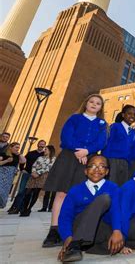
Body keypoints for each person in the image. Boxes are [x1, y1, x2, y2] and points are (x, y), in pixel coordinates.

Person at [42, 94, 108, 248]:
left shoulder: (102, 123)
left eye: (98, 103)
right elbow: (66, 137)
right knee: (62, 193)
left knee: (80, 195)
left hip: (88, 160)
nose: (94, 104)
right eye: (91, 102)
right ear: (86, 104)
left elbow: (101, 142)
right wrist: (79, 150)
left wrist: (87, 151)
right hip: (69, 157)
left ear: (101, 108)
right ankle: (54, 230)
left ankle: (73, 230)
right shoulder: (74, 118)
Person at [57, 155, 123, 262]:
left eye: (101, 166)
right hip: (78, 227)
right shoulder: (75, 190)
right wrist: (67, 237)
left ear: (107, 172)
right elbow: (65, 216)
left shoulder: (113, 187)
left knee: (118, 242)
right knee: (104, 199)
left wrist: (117, 231)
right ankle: (74, 245)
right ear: (86, 171)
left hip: (99, 228)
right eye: (92, 166)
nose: (96, 169)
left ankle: (86, 247)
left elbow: (116, 211)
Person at [102, 104, 135, 186]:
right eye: (129, 113)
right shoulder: (115, 126)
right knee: (110, 185)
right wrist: (105, 161)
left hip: (125, 163)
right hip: (112, 160)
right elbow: (107, 144)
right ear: (123, 115)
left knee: (121, 187)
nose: (132, 116)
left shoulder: (133, 132)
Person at [8, 139, 46, 214]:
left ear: (44, 146)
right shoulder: (31, 153)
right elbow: (23, 160)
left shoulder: (44, 155)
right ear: (37, 144)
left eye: (43, 144)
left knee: (29, 193)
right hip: (27, 173)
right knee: (21, 191)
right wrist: (22, 169)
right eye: (40, 144)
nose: (41, 145)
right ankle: (14, 207)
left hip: (36, 176)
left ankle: (22, 208)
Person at [19, 145, 56, 216]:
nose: (44, 150)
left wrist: (38, 173)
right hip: (33, 176)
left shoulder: (53, 159)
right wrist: (33, 172)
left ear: (50, 151)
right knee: (27, 192)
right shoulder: (40, 157)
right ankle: (24, 208)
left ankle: (28, 209)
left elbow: (48, 168)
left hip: (42, 176)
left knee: (36, 193)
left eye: (46, 149)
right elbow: (34, 165)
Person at [0, 142, 26, 208]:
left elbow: (23, 161)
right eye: (16, 147)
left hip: (9, 176)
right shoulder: (4, 154)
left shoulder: (17, 156)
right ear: (11, 147)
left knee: (5, 191)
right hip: (2, 173)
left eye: (18, 148)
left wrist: (19, 154)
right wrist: (7, 161)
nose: (18, 149)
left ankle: (1, 204)